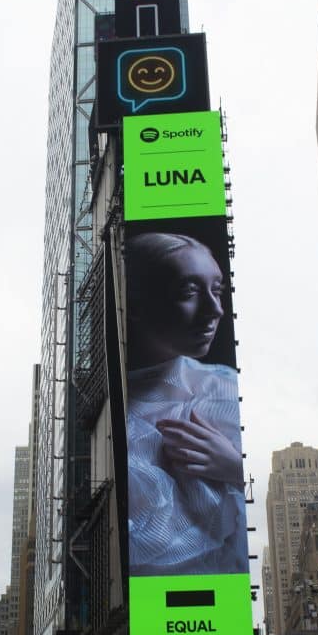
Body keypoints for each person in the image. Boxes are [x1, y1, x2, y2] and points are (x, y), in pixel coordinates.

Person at [124, 231, 248, 576]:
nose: (216, 310)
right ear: (134, 303)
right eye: (189, 292)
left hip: (226, 605)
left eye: (218, 290)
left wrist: (232, 466)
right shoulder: (103, 416)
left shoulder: (226, 386)